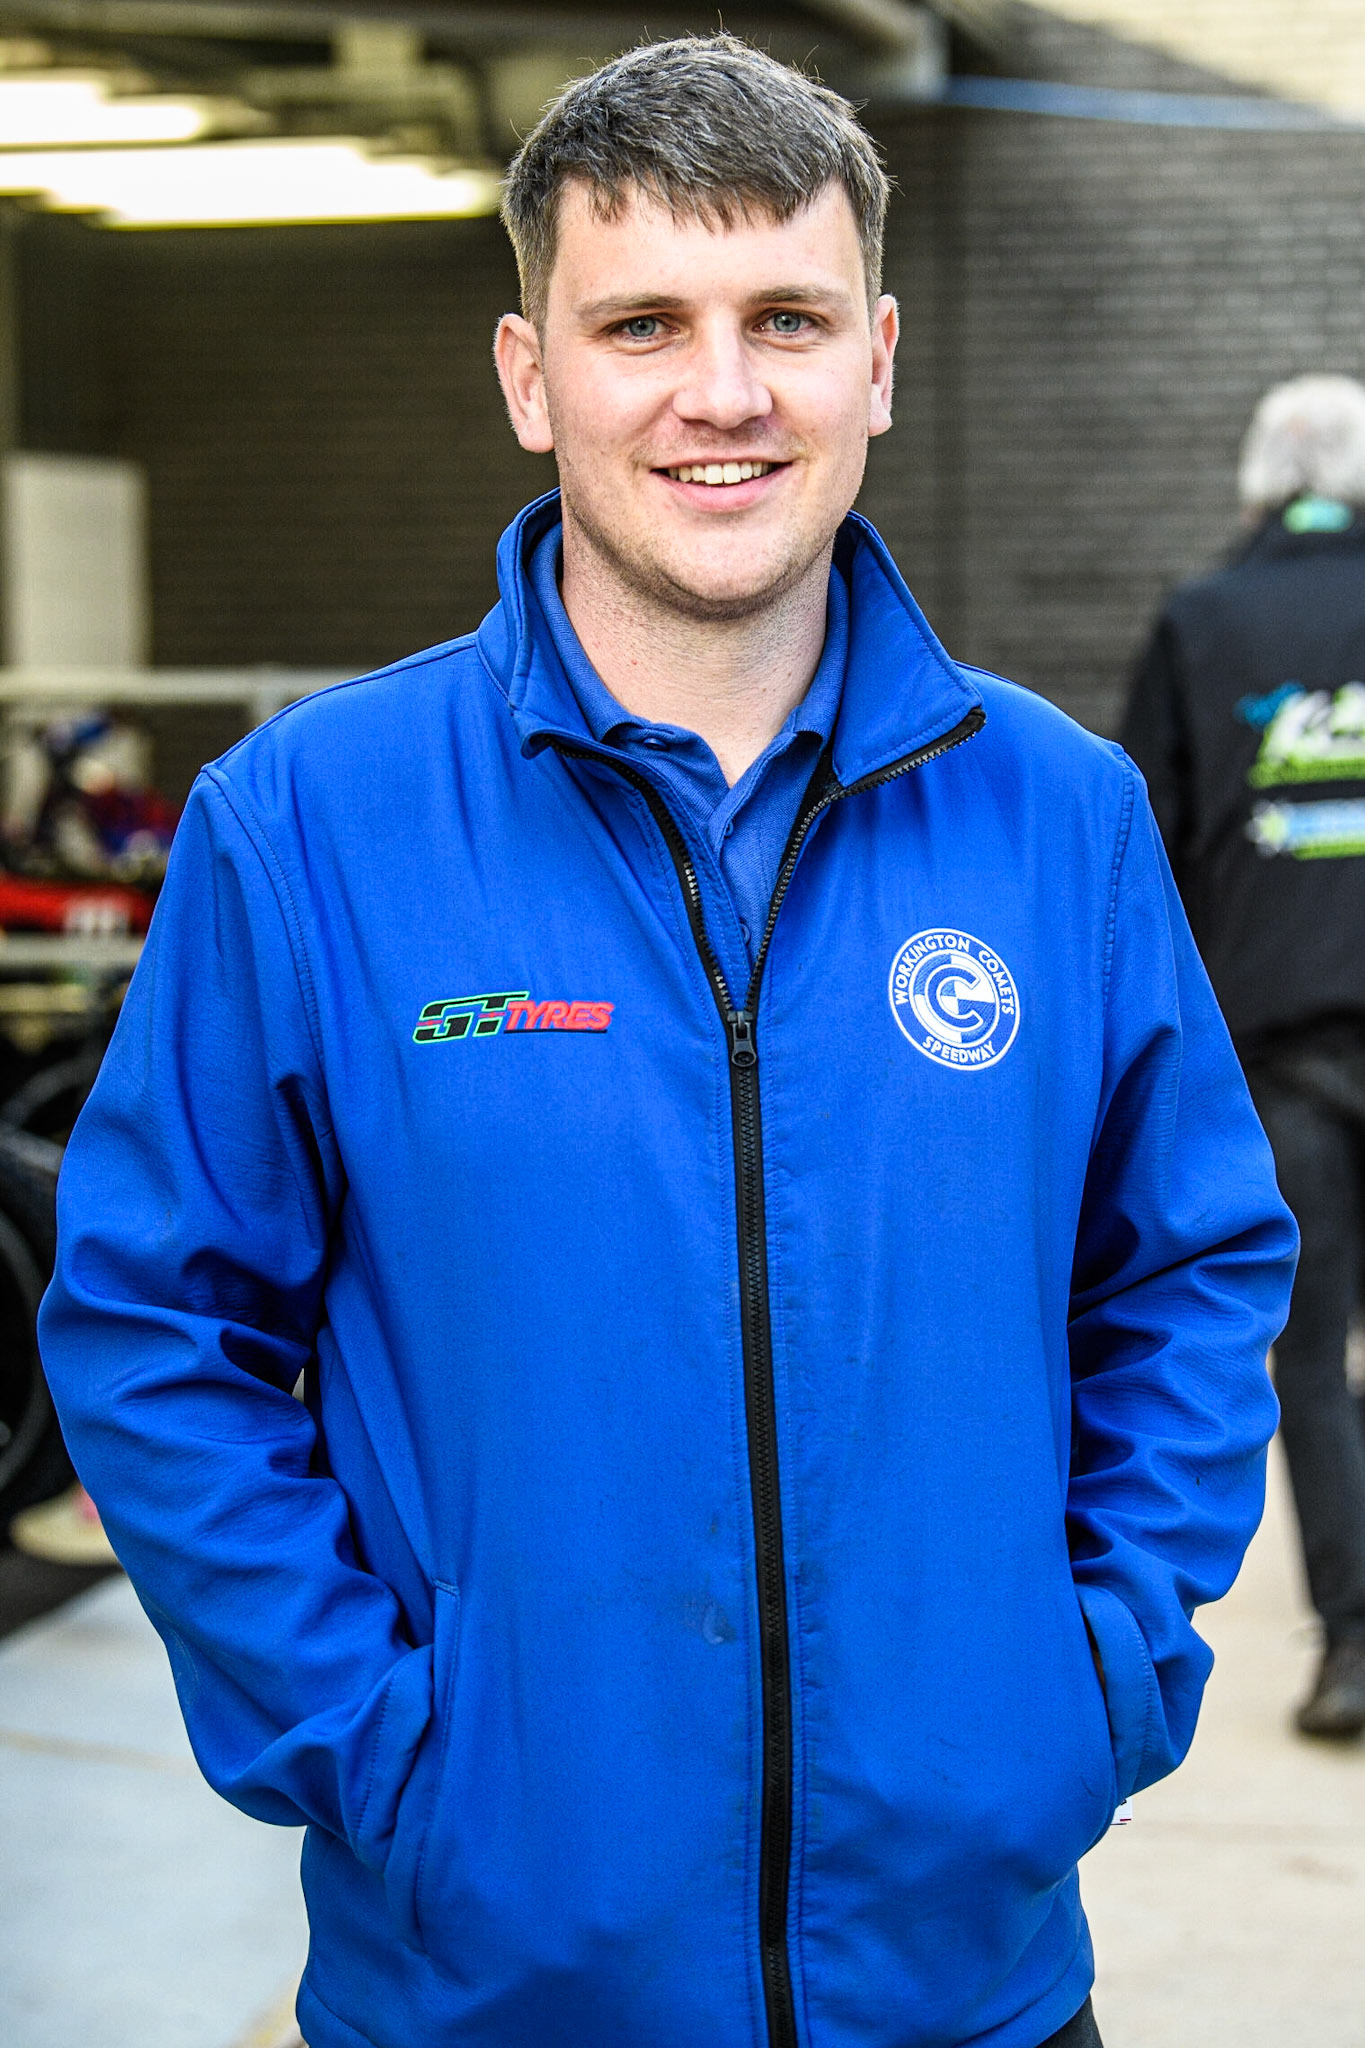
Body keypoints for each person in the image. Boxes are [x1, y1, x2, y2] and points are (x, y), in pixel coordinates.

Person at [39, 36, 1294, 2048]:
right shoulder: (309, 827)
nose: (722, 392)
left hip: (961, 1985)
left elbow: (1191, 1262)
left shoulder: (1058, 819)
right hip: (487, 1982)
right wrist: (375, 1747)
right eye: (643, 323)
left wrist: (1090, 1670)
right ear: (532, 375)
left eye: (782, 317)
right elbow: (152, 1324)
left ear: (873, 360)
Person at [1123, 372, 1365, 1741]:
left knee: (1310, 1356)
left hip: (1275, 1047)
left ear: (1257, 481)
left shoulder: (1202, 623)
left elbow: (1140, 862)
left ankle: (1351, 1645)